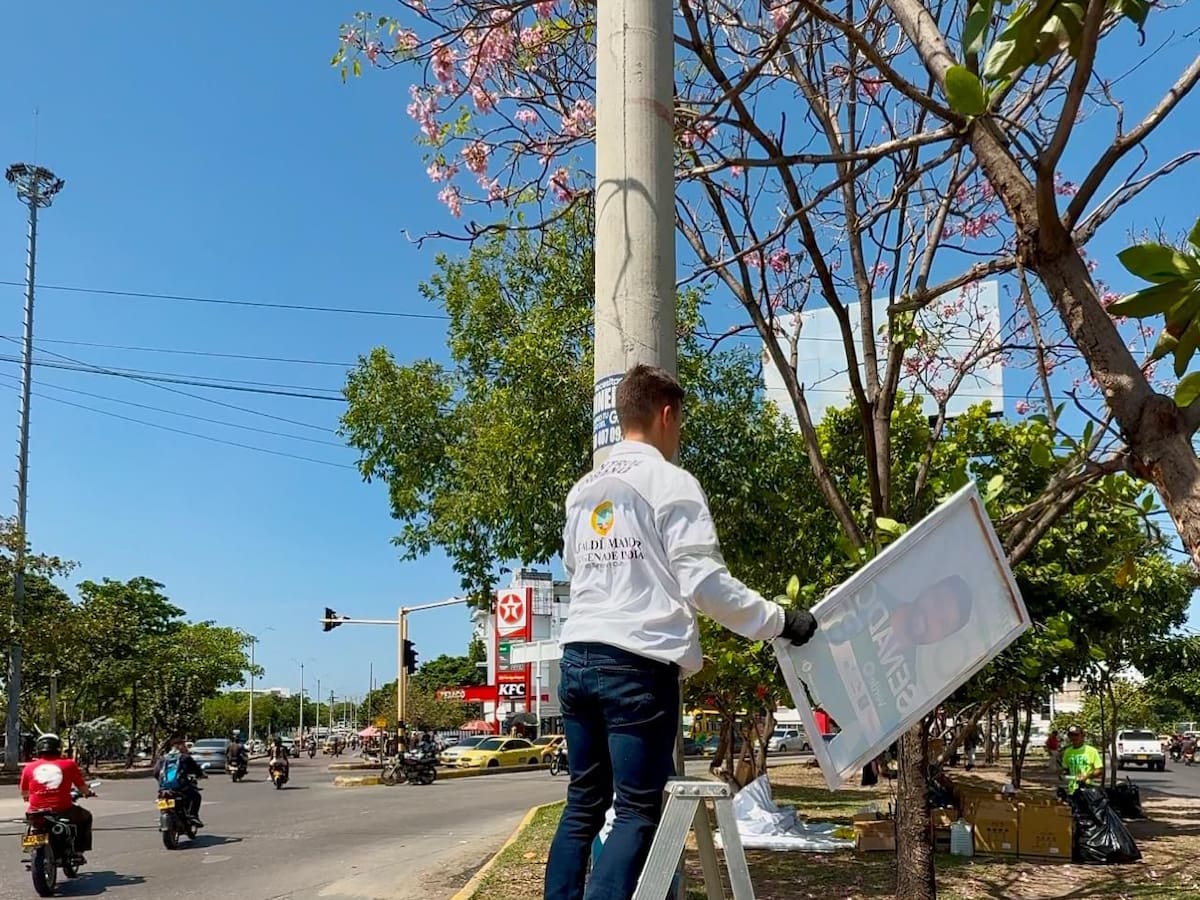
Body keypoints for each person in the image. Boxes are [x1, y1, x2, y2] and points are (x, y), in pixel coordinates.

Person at [543, 364, 819, 900]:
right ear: (667, 415)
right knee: (636, 811)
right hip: (636, 667)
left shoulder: (582, 493)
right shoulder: (671, 482)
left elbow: (576, 572)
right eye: (681, 424)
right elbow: (706, 585)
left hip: (577, 657)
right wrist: (782, 620)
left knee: (583, 803)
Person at [19, 734, 95, 863]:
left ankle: (29, 845)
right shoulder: (69, 764)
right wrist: (88, 793)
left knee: (32, 825)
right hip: (62, 809)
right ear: (58, 748)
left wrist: (29, 797)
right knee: (86, 817)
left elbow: (24, 792)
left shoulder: (28, 768)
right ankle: (78, 850)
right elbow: (82, 787)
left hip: (35, 811)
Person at [155, 736, 205, 826]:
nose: (185, 747)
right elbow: (196, 770)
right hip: (181, 788)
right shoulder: (185, 758)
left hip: (164, 788)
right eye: (184, 745)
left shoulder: (163, 758)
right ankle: (193, 816)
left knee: (162, 799)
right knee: (196, 796)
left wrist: (162, 782)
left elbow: (156, 772)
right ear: (179, 746)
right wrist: (201, 775)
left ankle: (163, 817)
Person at [1061, 725, 1104, 794]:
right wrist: (1062, 773)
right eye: (1071, 735)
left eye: (1076, 735)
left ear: (1082, 736)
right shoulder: (1067, 752)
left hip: (1087, 790)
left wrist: (1087, 776)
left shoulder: (1091, 751)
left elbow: (1099, 770)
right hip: (1072, 790)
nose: (1074, 737)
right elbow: (1065, 769)